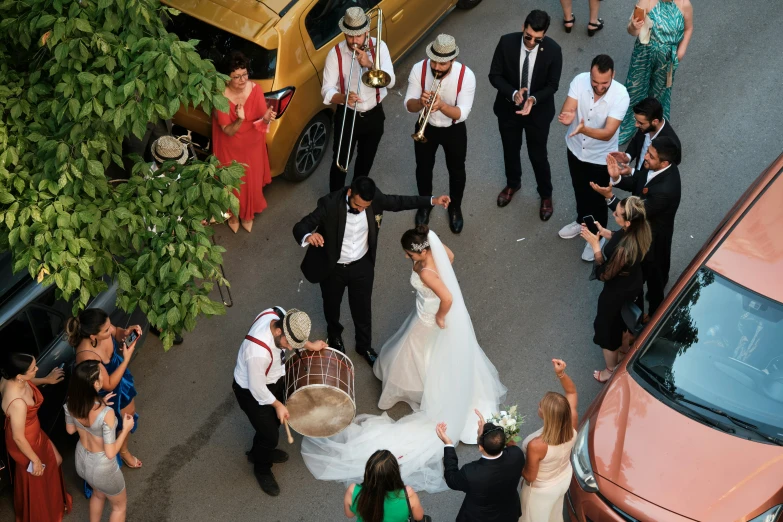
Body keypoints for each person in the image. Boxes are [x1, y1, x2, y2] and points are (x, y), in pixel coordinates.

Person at [301, 228, 506, 493]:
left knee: (409, 351)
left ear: (420, 250)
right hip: (426, 309)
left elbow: (448, 297)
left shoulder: (425, 272)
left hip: (429, 318)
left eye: (409, 254)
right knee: (416, 351)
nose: (407, 258)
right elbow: (450, 258)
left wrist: (441, 316)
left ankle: (401, 387)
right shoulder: (438, 251)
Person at [292, 177, 450, 366]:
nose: (361, 210)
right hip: (334, 268)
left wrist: (433, 200)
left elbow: (399, 202)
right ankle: (334, 335)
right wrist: (309, 236)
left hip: (362, 266)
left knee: (363, 309)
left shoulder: (375, 199)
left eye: (365, 207)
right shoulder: (330, 203)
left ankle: (364, 346)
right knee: (331, 305)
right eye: (358, 205)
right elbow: (301, 226)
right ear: (350, 192)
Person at [232, 307, 326, 496]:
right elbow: (257, 388)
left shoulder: (278, 313)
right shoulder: (257, 351)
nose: (291, 348)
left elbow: (294, 337)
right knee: (270, 435)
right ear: (277, 331)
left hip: (273, 378)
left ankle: (257, 452)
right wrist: (277, 404)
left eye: (294, 343)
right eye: (288, 343)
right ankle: (261, 467)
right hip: (251, 391)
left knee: (272, 424)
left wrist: (310, 346)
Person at [594, 136, 682, 315]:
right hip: (644, 234)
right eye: (648, 152)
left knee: (654, 280)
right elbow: (639, 183)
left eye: (650, 155)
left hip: (654, 241)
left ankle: (654, 315)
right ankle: (639, 309)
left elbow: (635, 213)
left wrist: (609, 197)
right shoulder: (656, 168)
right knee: (638, 277)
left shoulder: (665, 190)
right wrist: (617, 178)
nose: (645, 157)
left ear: (664, 162)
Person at [489, 10, 563, 221]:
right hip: (508, 109)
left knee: (538, 155)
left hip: (538, 113)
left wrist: (533, 99)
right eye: (528, 36)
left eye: (537, 39)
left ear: (545, 35)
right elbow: (494, 75)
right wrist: (513, 93)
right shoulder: (506, 43)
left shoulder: (554, 51)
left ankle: (546, 195)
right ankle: (513, 183)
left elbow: (552, 85)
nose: (531, 43)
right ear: (523, 27)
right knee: (510, 150)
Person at [557, 55, 630, 262]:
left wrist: (583, 129)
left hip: (600, 157)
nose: (599, 87)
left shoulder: (621, 95)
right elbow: (568, 108)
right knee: (579, 190)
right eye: (595, 82)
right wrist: (568, 116)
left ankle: (597, 236)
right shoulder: (580, 80)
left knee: (598, 199)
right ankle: (581, 221)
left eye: (604, 83)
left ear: (613, 76)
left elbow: (608, 133)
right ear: (590, 74)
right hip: (575, 150)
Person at [404, 34, 476, 233]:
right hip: (425, 127)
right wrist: (421, 102)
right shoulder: (419, 69)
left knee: (457, 170)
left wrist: (442, 105)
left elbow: (462, 113)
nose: (436, 67)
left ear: (452, 60)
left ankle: (455, 207)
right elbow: (409, 105)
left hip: (454, 129)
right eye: (434, 61)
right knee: (423, 168)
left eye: (442, 64)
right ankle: (425, 204)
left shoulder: (466, 76)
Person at [323, 6, 395, 192]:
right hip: (347, 114)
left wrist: (370, 65)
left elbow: (391, 82)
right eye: (350, 36)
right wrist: (343, 97)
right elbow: (327, 90)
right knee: (340, 163)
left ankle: (356, 198)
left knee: (365, 162)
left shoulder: (380, 47)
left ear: (366, 31)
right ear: (344, 33)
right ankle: (335, 202)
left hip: (374, 115)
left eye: (359, 35)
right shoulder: (335, 54)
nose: (354, 41)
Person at [581, 196, 651, 382]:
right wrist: (605, 233)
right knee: (624, 321)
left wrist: (596, 247)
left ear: (627, 222)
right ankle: (625, 350)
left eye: (617, 214)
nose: (613, 213)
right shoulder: (640, 229)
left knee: (606, 330)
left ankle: (611, 370)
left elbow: (604, 274)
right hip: (633, 285)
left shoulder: (623, 250)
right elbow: (620, 235)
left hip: (617, 292)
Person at [0, 353, 72, 522]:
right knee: (36, 478)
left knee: (56, 461)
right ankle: (41, 514)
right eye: (33, 369)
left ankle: (51, 502)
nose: (37, 369)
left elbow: (27, 383)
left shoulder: (9, 379)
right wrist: (35, 459)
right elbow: (18, 438)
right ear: (19, 376)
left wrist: (46, 380)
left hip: (34, 434)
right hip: (27, 443)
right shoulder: (17, 403)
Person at [69, 309, 143, 470]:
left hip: (119, 378)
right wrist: (126, 359)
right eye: (106, 330)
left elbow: (116, 332)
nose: (110, 330)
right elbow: (108, 384)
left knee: (128, 416)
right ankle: (112, 456)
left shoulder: (103, 329)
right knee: (108, 427)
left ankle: (123, 450)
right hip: (105, 391)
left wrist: (126, 332)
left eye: (109, 326)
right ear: (93, 336)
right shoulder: (87, 355)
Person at [212, 51, 277, 233]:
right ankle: (232, 214)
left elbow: (261, 122)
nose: (242, 80)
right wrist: (239, 120)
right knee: (233, 182)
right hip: (230, 147)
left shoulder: (255, 89)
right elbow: (227, 131)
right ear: (227, 78)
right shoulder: (221, 97)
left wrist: (266, 118)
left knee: (250, 181)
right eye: (236, 77)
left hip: (253, 145)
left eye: (244, 74)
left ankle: (248, 214)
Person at [64, 361, 134, 522]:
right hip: (102, 466)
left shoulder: (71, 402)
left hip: (82, 460)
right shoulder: (106, 414)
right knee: (119, 506)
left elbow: (70, 430)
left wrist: (99, 402)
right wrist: (125, 429)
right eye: (101, 372)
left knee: (98, 493)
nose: (103, 373)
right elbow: (110, 452)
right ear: (96, 384)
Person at [619, 0, 694, 144]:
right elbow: (632, 31)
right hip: (644, 54)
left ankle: (654, 131)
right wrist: (634, 27)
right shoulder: (646, 2)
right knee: (635, 90)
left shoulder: (685, 4)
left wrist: (681, 51)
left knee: (660, 94)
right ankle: (626, 129)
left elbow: (688, 28)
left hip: (667, 58)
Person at [435, 410, 525, 522]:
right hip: (508, 514)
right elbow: (509, 446)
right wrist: (488, 430)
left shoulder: (471, 472)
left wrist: (448, 444)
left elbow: (452, 480)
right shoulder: (517, 455)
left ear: (481, 447)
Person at [519, 359, 578, 522]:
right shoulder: (571, 421)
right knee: (553, 516)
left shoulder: (537, 445)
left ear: (547, 416)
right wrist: (561, 374)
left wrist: (511, 449)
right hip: (563, 477)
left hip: (541, 490)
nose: (538, 404)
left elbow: (530, 476)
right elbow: (572, 392)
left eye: (541, 406)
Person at [343, 450, 425, 522]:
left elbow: (349, 514)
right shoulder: (407, 494)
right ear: (395, 474)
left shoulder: (353, 490)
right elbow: (418, 516)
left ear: (369, 473)